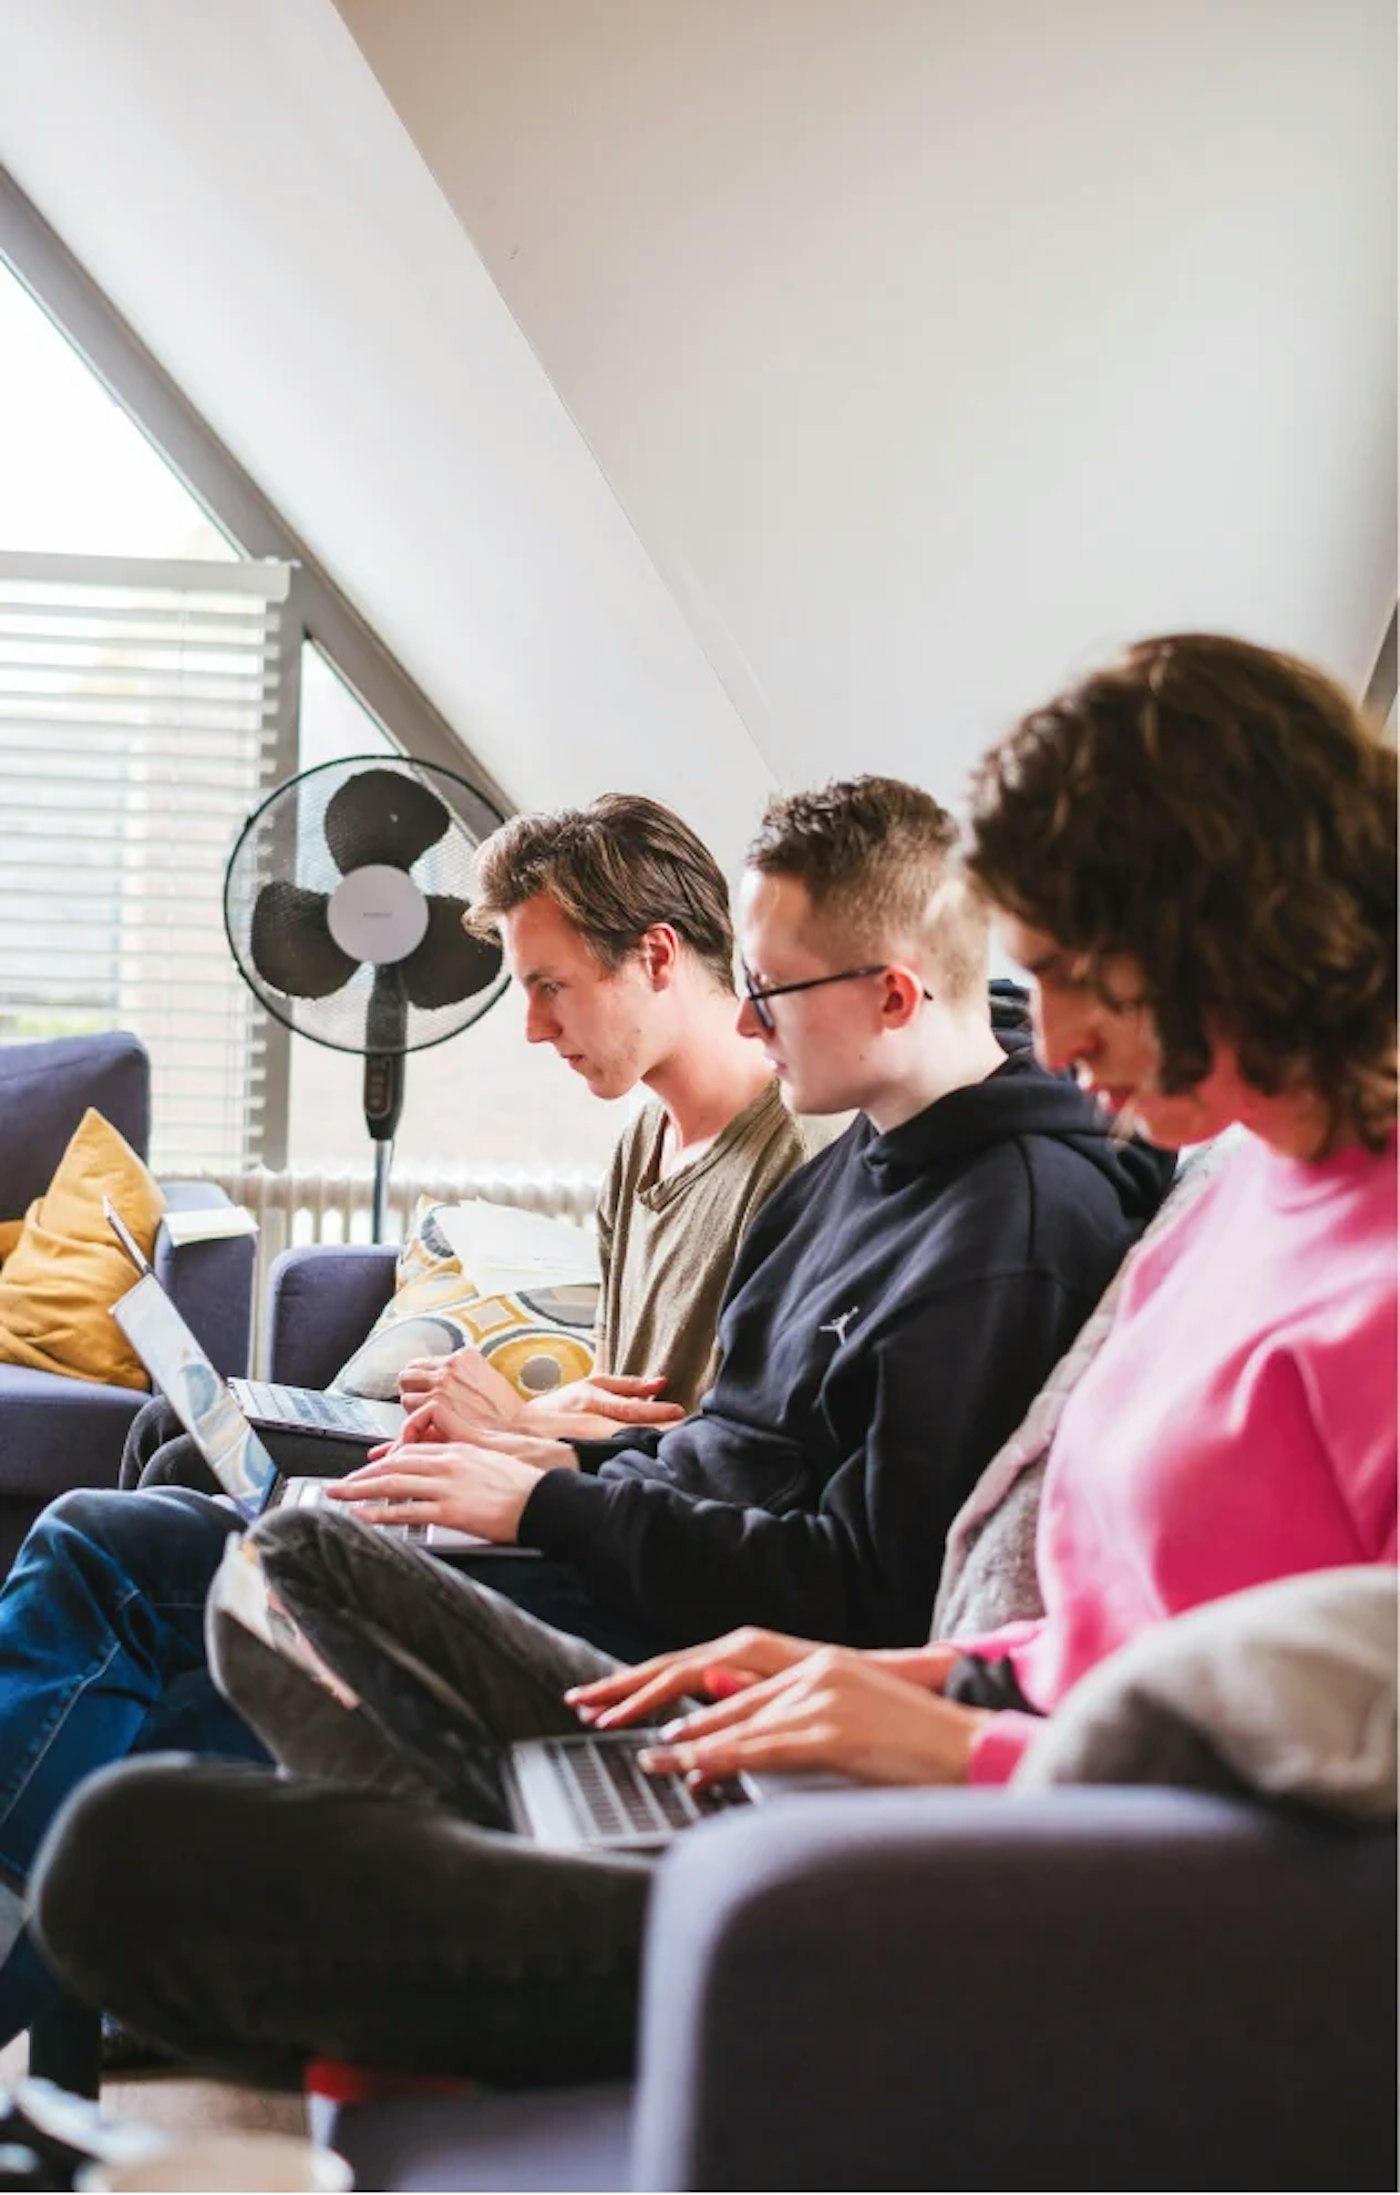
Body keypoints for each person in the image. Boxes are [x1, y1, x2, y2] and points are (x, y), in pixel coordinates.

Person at [16, 771, 1168, 2073]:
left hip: (672, 1615)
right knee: (164, 1555)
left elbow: (867, 1585)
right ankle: (84, 1997)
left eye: (773, 990)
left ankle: (87, 1990)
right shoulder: (870, 1150)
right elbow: (718, 1440)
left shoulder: (1009, 1228)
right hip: (620, 1539)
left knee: (131, 1575)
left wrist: (544, 1496)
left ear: (894, 992)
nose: (741, 1015)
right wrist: (544, 1459)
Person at [123, 793, 816, 1501]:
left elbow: (736, 1456)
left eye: (552, 986)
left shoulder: (795, 1162)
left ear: (657, 956)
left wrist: (511, 1424)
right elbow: (614, 1391)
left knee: (184, 1465)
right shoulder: (643, 1141)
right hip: (564, 1462)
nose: (534, 1028)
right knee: (162, 1424)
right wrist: (516, 1413)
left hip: (609, 1505)